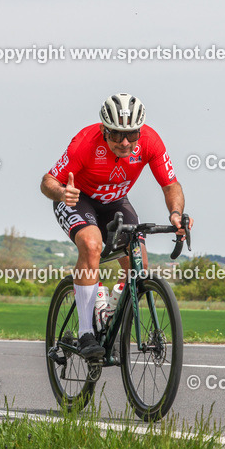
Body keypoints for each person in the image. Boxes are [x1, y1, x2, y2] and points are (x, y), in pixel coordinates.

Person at [40, 93, 192, 360]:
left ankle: (107, 310)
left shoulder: (151, 142)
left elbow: (171, 185)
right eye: (116, 135)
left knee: (139, 265)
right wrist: (63, 193)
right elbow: (48, 181)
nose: (124, 142)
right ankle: (86, 332)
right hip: (78, 200)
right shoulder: (85, 143)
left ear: (139, 131)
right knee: (91, 244)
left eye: (131, 135)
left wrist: (176, 214)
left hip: (115, 202)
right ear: (103, 130)